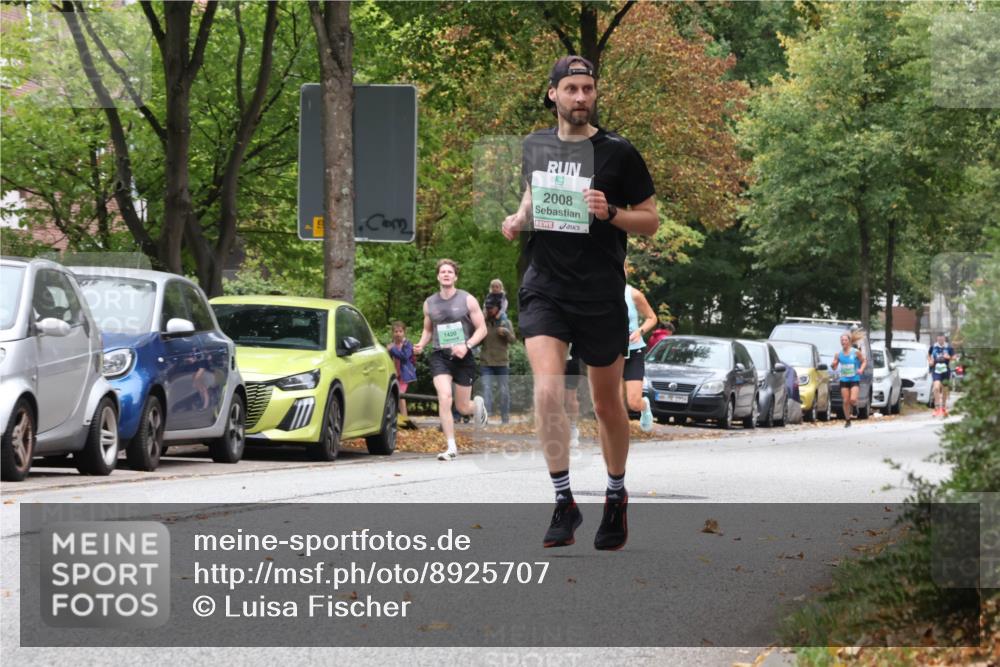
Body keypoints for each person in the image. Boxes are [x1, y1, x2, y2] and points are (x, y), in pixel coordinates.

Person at [501, 55, 659, 550]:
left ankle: (615, 495)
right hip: (545, 284)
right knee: (548, 391)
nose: (581, 97)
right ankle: (564, 501)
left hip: (598, 291)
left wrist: (611, 212)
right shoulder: (534, 145)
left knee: (606, 404)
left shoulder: (619, 152)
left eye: (588, 88)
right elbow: (533, 194)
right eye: (571, 88)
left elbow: (650, 219)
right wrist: (517, 217)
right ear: (553, 94)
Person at [414, 259, 489, 460]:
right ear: (438, 276)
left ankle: (477, 407)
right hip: (440, 356)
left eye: (450, 272)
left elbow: (482, 329)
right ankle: (451, 447)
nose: (446, 274)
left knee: (462, 407)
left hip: (464, 356)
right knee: (445, 397)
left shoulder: (467, 299)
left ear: (455, 277)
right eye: (442, 272)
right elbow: (428, 329)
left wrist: (467, 346)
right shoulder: (429, 303)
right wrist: (421, 344)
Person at [623, 280, 657, 432]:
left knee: (634, 403)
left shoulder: (633, 294)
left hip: (633, 351)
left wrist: (640, 331)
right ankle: (617, 435)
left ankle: (644, 406)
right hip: (611, 352)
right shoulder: (598, 291)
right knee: (612, 401)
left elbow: (652, 317)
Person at [479, 293, 516, 424]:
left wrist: (505, 333)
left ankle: (505, 418)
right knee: (486, 390)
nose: (490, 310)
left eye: (492, 308)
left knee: (504, 391)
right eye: (488, 308)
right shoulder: (482, 323)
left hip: (502, 362)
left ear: (498, 308)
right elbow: (476, 341)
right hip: (486, 362)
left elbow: (513, 340)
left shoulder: (506, 322)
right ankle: (486, 418)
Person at [831, 333, 866, 428]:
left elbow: (864, 361)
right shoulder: (838, 354)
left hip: (854, 378)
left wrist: (861, 369)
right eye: (842, 340)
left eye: (845, 340)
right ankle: (847, 420)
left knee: (853, 399)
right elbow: (834, 368)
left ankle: (854, 407)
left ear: (849, 341)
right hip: (844, 379)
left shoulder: (856, 352)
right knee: (845, 401)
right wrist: (833, 364)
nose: (843, 342)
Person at [387, 321, 417, 425]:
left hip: (404, 374)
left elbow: (404, 357)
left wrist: (393, 349)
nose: (398, 334)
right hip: (394, 373)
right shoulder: (391, 345)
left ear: (404, 332)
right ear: (392, 333)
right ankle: (396, 417)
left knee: (401, 394)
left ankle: (405, 419)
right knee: (394, 395)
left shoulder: (407, 344)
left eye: (400, 331)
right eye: (396, 331)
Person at [928, 332, 955, 417]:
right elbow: (928, 355)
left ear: (944, 339)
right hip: (936, 370)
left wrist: (949, 357)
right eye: (939, 338)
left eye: (942, 338)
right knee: (936, 388)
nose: (940, 340)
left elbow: (954, 357)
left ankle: (943, 408)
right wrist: (930, 361)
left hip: (946, 370)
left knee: (945, 389)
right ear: (937, 339)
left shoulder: (949, 347)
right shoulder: (933, 347)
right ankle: (936, 408)